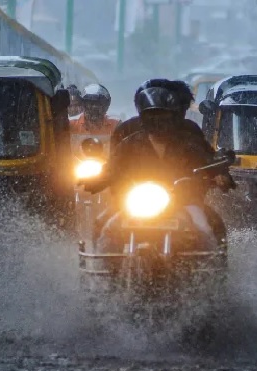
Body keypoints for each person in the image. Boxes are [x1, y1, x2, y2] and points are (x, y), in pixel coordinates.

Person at [88, 83, 234, 252]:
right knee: (104, 226)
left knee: (205, 228)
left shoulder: (189, 142)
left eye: (163, 115)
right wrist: (98, 179)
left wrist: (220, 174)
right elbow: (112, 166)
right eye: (151, 115)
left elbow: (208, 161)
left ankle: (210, 270)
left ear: (172, 117)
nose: (157, 121)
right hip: (135, 202)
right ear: (143, 117)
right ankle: (100, 272)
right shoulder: (130, 143)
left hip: (183, 201)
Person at [69, 83, 120, 156]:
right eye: (90, 103)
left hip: (109, 166)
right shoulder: (71, 125)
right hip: (74, 166)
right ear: (83, 104)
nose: (94, 107)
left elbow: (124, 151)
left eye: (99, 103)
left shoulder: (116, 126)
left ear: (106, 106)